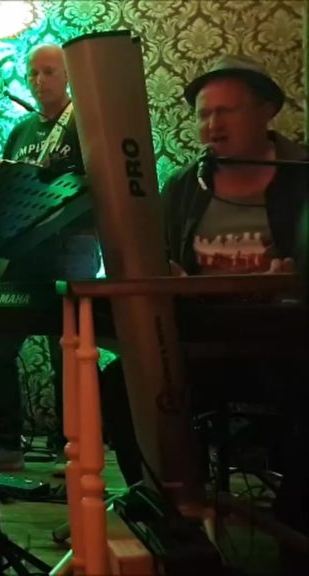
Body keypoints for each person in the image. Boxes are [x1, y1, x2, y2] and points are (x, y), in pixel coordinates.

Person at [107, 55, 307, 574]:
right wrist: (167, 274)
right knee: (120, 382)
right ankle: (170, 521)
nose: (212, 124)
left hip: (288, 344)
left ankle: (295, 533)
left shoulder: (302, 177)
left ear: (266, 112)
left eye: (226, 111)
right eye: (203, 114)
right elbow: (156, 257)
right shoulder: (183, 186)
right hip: (201, 343)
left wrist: (296, 276)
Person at [0, 44, 101, 473]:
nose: (39, 81)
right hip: (22, 253)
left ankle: (72, 449)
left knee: (69, 353)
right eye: (32, 73)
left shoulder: (85, 124)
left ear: (69, 75)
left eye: (49, 72)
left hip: (70, 250)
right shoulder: (20, 131)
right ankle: (7, 446)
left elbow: (100, 188)